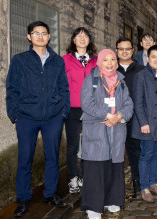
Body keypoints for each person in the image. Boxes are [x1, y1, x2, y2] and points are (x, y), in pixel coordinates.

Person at [6, 21, 70, 217]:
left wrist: (63, 112)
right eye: (36, 33)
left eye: (44, 33)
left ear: (49, 37)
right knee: (25, 158)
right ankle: (23, 198)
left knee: (52, 157)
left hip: (52, 117)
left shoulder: (57, 61)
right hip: (27, 117)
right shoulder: (20, 60)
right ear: (29, 37)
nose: (40, 36)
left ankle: (50, 193)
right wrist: (14, 114)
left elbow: (64, 88)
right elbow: (12, 89)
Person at [80, 49, 133, 219]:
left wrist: (119, 116)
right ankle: (94, 205)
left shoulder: (121, 81)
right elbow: (86, 103)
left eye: (112, 59)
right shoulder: (92, 79)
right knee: (95, 168)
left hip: (116, 129)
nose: (109, 63)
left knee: (114, 167)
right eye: (106, 60)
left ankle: (112, 200)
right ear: (99, 62)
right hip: (97, 129)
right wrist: (107, 115)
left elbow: (128, 104)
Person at [131, 45, 157, 203]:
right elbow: (137, 102)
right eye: (154, 57)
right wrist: (143, 122)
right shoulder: (141, 76)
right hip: (148, 123)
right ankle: (144, 187)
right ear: (148, 58)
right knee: (146, 154)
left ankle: (154, 183)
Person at [63, 27, 97, 194]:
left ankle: (85, 175)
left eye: (85, 36)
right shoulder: (65, 60)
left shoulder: (97, 60)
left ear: (89, 40)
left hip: (92, 109)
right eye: (79, 36)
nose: (82, 38)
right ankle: (73, 178)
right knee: (73, 145)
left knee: (89, 144)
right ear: (73, 40)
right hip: (73, 109)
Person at [116, 37, 145, 197]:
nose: (124, 51)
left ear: (132, 51)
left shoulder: (141, 70)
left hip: (135, 117)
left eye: (127, 48)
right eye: (121, 49)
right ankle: (116, 186)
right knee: (116, 152)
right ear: (117, 51)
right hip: (116, 117)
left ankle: (137, 182)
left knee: (135, 151)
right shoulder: (111, 69)